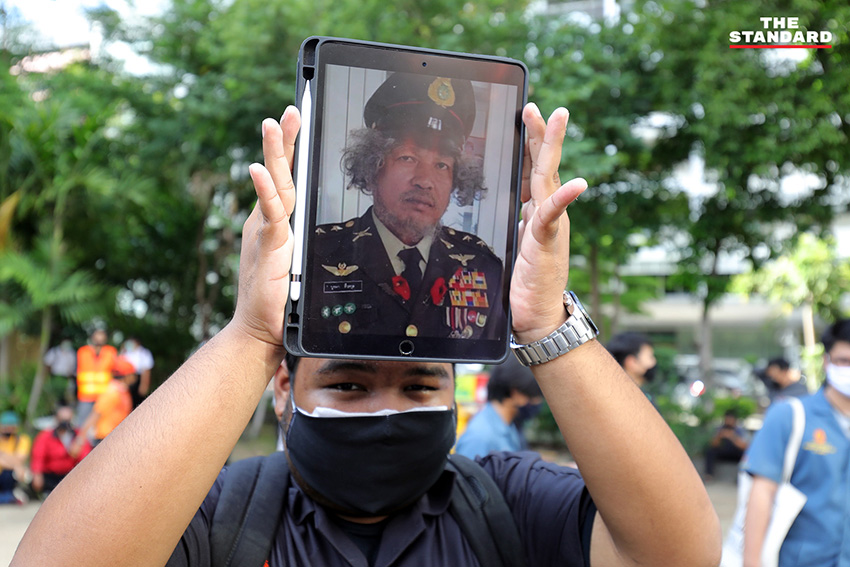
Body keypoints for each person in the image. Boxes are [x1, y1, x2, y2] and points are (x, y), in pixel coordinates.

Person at [12, 103, 721, 567]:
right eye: (349, 384)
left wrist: (545, 325)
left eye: (420, 384)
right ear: (285, 387)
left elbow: (680, 552)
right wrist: (252, 336)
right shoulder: (218, 513)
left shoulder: (505, 502)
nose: (426, 178)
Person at [310, 72, 505, 339]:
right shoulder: (318, 253)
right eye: (407, 158)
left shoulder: (483, 266)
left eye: (441, 165)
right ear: (372, 167)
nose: (425, 181)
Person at [743, 319, 850, 566]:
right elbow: (762, 492)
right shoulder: (790, 416)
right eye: (844, 361)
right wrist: (752, 562)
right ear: (826, 361)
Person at [455, 354, 543, 458]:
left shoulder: (509, 426)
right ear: (516, 393)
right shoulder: (480, 437)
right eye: (535, 397)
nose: (538, 402)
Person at [72, 356, 136, 451]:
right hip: (105, 439)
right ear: (128, 376)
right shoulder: (111, 392)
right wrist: (79, 441)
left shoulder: (121, 391)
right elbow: (95, 415)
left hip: (115, 438)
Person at [29, 404, 91, 497]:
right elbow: (38, 456)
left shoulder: (78, 436)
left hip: (70, 475)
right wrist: (37, 474)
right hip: (50, 476)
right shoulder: (46, 436)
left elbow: (86, 455)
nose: (65, 423)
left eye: (67, 420)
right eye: (62, 420)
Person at [75, 328, 118, 426]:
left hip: (104, 395)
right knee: (82, 424)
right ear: (92, 337)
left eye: (102, 335)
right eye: (97, 335)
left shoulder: (111, 352)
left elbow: (115, 370)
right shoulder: (83, 351)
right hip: (86, 395)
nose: (99, 338)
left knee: (102, 425)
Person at [703, 410, 749, 481]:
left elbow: (744, 446)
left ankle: (741, 477)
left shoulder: (740, 430)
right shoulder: (720, 429)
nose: (728, 422)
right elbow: (713, 444)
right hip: (723, 452)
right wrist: (719, 436)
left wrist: (732, 436)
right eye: (727, 419)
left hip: (736, 453)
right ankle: (709, 475)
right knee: (710, 452)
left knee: (745, 455)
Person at [0, 411, 31, 505]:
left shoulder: (22, 439)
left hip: (11, 475)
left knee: (20, 473)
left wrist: (2, 455)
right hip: (11, 470)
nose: (8, 429)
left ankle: (9, 496)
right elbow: (16, 462)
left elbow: (20, 459)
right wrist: (15, 464)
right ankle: (11, 498)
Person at [120, 336, 155, 408]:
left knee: (137, 403)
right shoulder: (126, 352)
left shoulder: (144, 353)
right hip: (126, 379)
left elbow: (146, 371)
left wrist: (144, 385)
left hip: (137, 379)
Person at [43, 338, 78, 404]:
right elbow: (47, 364)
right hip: (54, 376)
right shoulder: (54, 351)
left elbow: (73, 367)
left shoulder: (72, 354)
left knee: (68, 395)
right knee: (53, 395)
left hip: (66, 378)